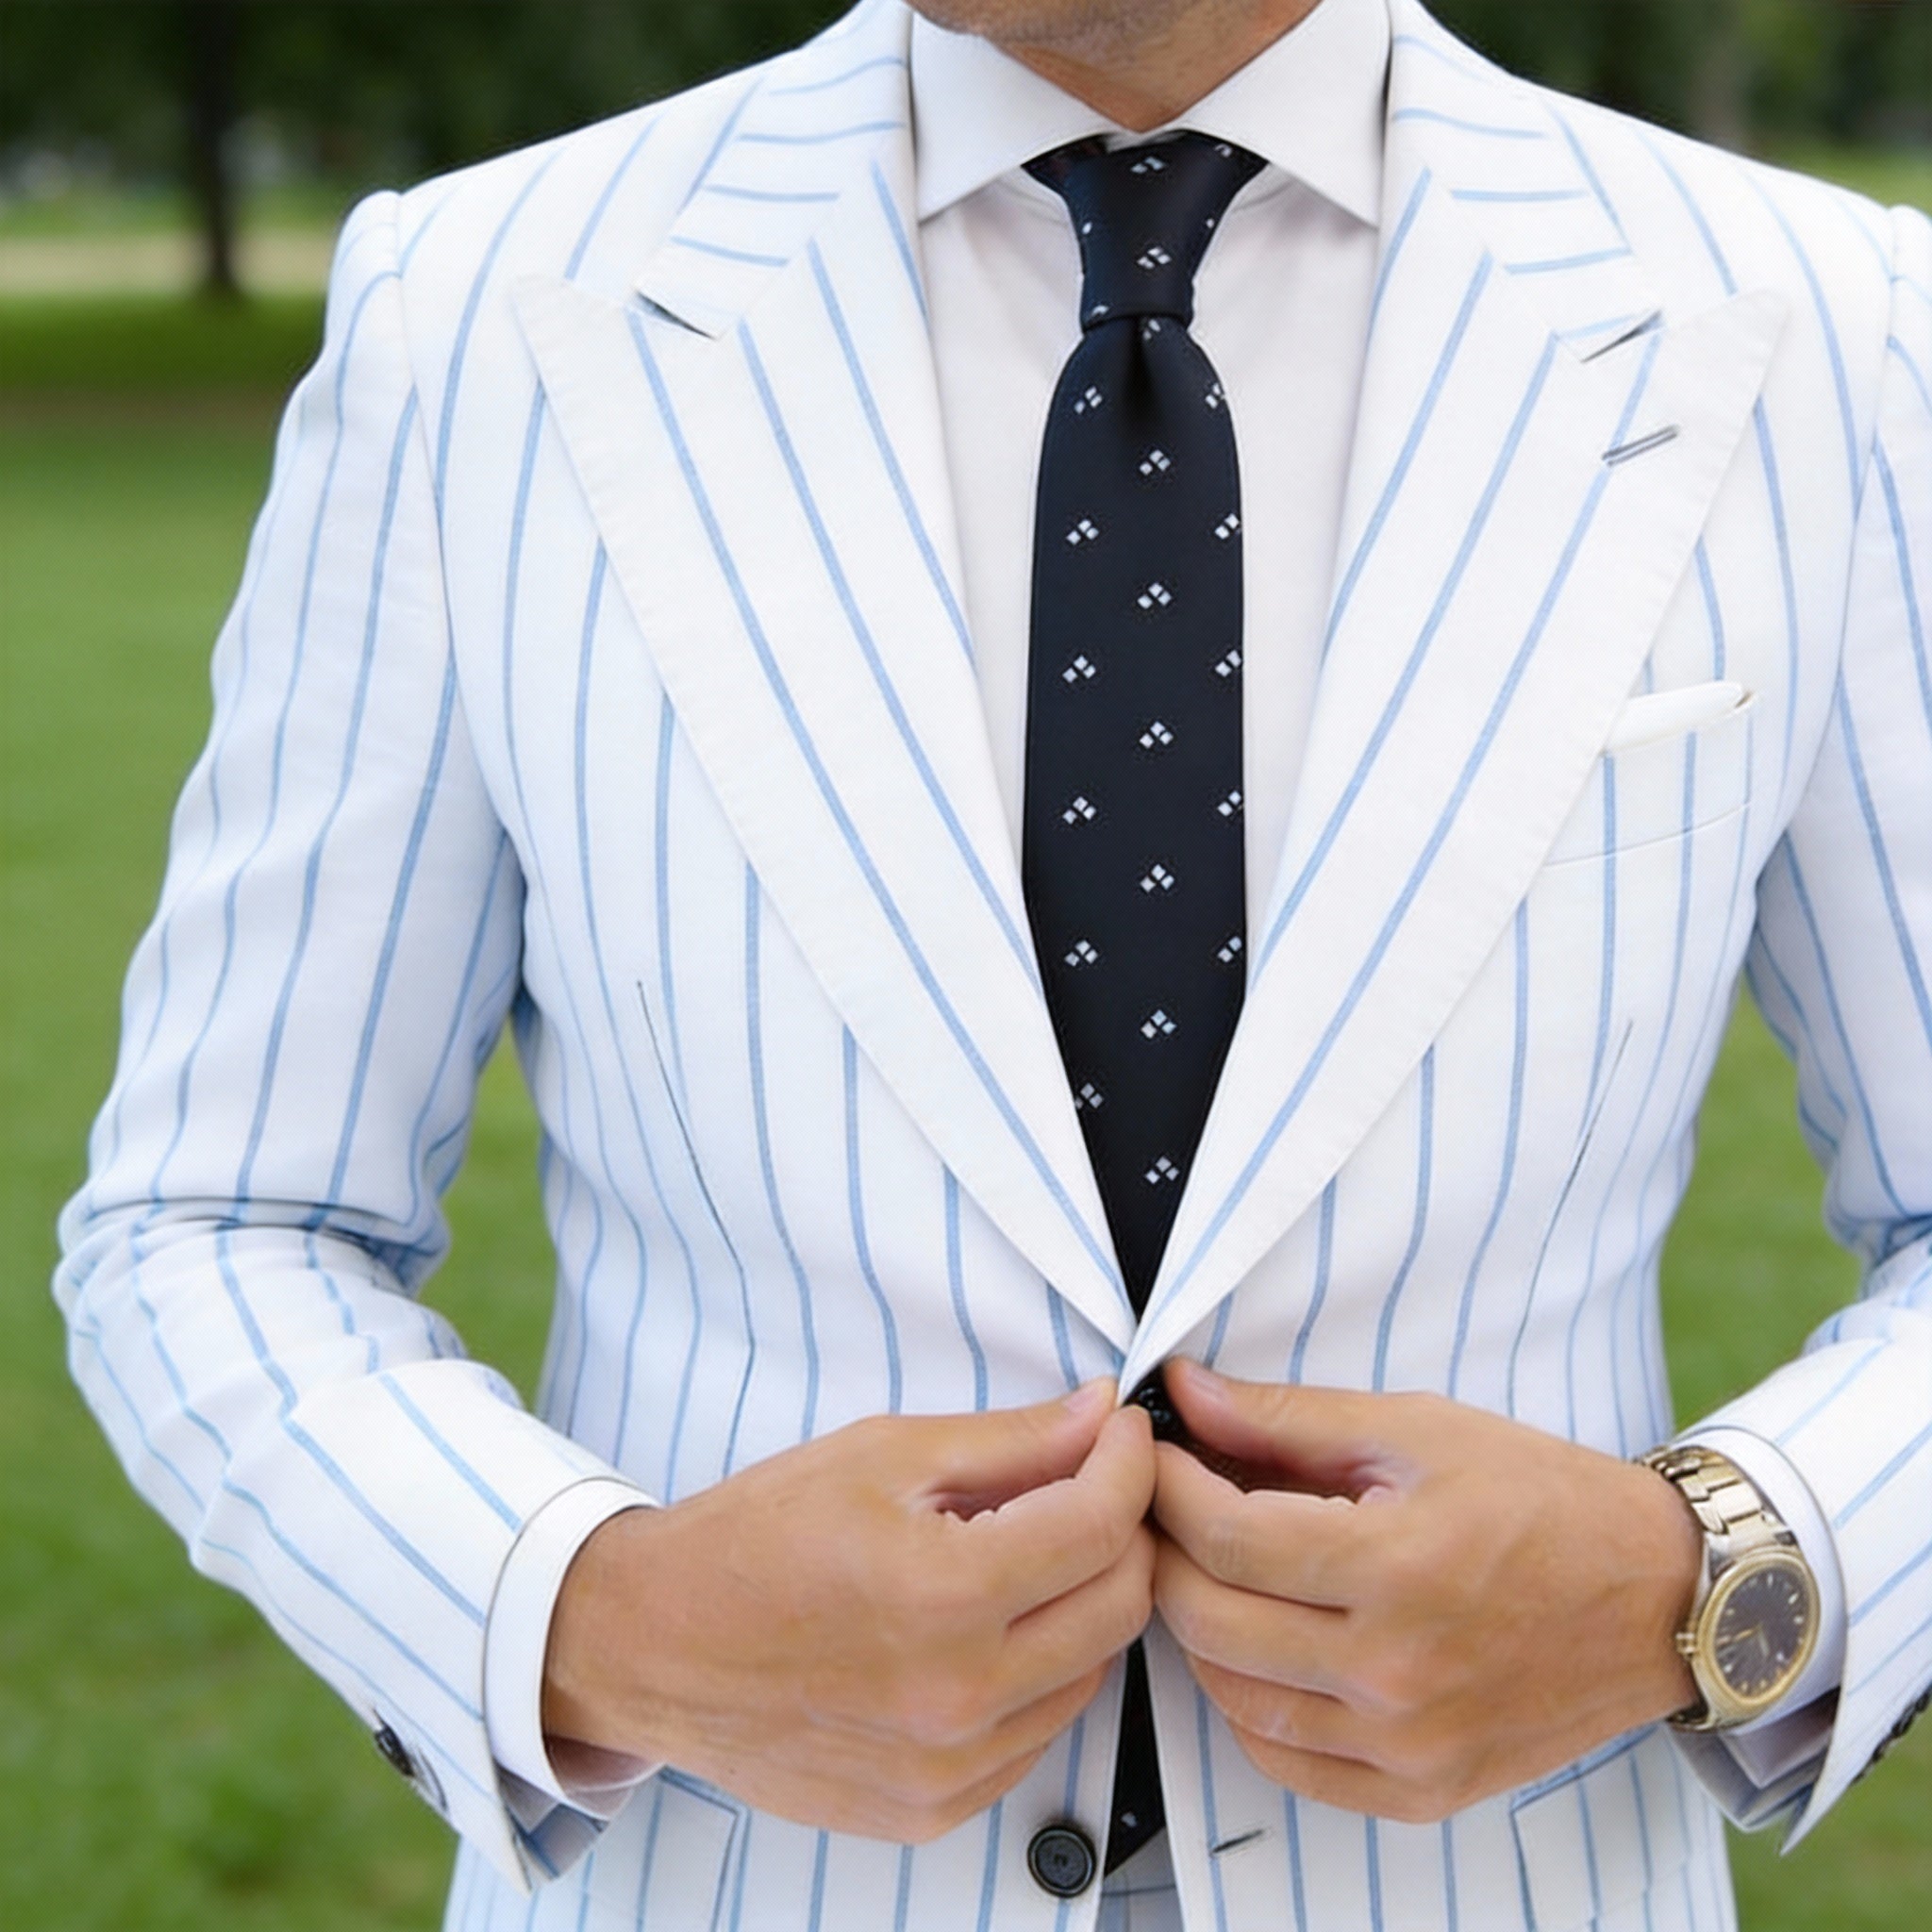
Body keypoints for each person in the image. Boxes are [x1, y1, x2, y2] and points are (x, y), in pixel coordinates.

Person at [54, 0, 1932, 1925]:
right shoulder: (478, 308)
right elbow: (218, 1220)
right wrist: (597, 1618)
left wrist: (1702, 1577)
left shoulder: (1821, 321)